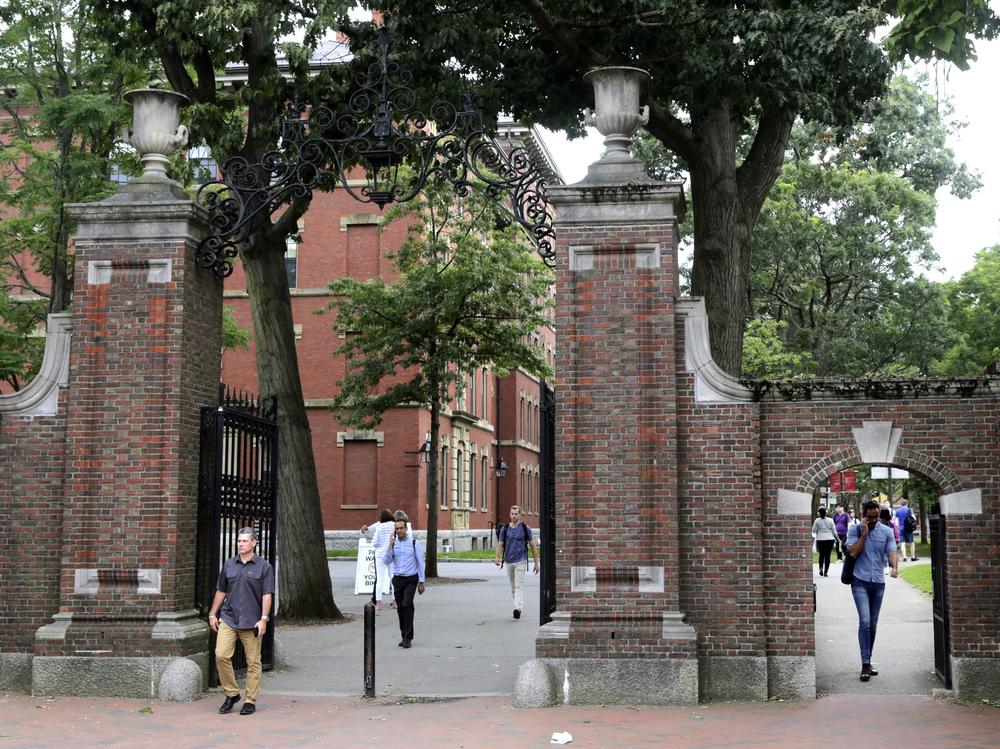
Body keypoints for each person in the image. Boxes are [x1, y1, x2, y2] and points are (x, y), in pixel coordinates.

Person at [208, 527, 274, 715]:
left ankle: (250, 700)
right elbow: (221, 590)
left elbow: (266, 595)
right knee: (221, 655)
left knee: (253, 662)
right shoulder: (229, 565)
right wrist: (213, 613)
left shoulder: (264, 567)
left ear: (254, 543)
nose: (241, 544)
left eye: (245, 541)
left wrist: (263, 619)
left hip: (252, 621)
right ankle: (231, 693)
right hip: (229, 618)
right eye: (239, 541)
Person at [846, 499, 899, 682]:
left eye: (876, 516)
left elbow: (892, 550)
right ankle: (864, 663)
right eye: (870, 517)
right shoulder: (855, 529)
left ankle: (868, 660)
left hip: (878, 582)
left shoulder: (887, 531)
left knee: (873, 625)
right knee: (865, 621)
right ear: (864, 515)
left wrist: (894, 566)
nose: (874, 520)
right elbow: (852, 552)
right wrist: (864, 535)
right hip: (859, 580)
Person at [384, 516, 425, 648]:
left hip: (411, 579)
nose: (400, 530)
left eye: (402, 528)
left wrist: (421, 582)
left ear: (406, 529)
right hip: (397, 579)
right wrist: (390, 545)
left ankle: (408, 637)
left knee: (407, 605)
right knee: (400, 608)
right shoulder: (394, 544)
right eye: (397, 529)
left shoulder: (414, 543)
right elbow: (386, 561)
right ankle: (404, 636)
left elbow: (420, 563)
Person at [494, 505, 540, 619]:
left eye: (516, 514)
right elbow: (500, 543)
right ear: (510, 515)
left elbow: (533, 545)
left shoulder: (525, 528)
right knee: (513, 586)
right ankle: (517, 605)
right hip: (509, 561)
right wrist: (497, 557)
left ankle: (517, 608)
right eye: (512, 514)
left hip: (521, 561)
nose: (514, 516)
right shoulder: (505, 529)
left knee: (519, 585)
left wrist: (536, 562)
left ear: (520, 515)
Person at [361, 509, 396, 609]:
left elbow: (375, 542)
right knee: (393, 578)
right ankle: (395, 602)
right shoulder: (395, 525)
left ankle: (378, 604)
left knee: (380, 580)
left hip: (380, 555)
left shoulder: (379, 526)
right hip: (392, 554)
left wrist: (379, 545)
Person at [811, 506, 837, 577]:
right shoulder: (831, 520)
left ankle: (820, 569)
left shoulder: (817, 520)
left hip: (821, 539)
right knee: (828, 555)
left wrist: (819, 529)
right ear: (826, 512)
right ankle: (826, 572)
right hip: (830, 539)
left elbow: (813, 530)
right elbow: (834, 531)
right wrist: (838, 539)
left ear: (819, 513)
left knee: (821, 555)